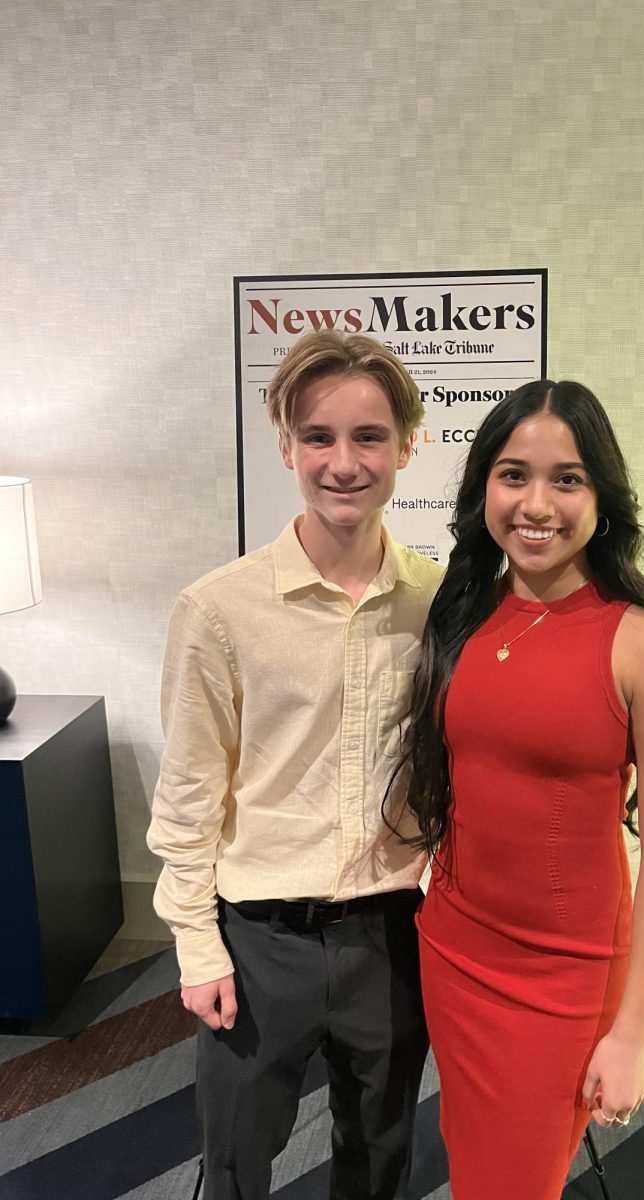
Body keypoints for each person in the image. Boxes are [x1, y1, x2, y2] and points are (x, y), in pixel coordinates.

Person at [147, 330, 443, 1200]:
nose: (343, 462)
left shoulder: (439, 601)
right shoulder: (218, 609)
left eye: (368, 437)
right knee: (236, 1158)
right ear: (285, 446)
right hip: (258, 940)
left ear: (407, 445)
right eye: (318, 436)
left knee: (381, 1154)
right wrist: (196, 944)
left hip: (390, 934)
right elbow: (190, 793)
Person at [396, 379, 644, 1200]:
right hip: (453, 944)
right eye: (512, 475)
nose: (538, 503)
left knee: (514, 1184)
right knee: (472, 1157)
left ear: (602, 495)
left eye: (567, 478)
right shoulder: (465, 610)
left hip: (562, 976)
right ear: (482, 490)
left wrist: (634, 1032)